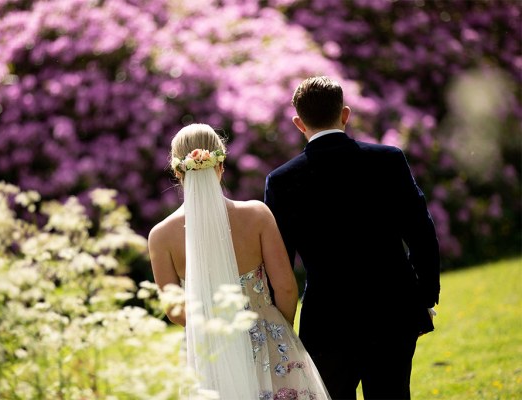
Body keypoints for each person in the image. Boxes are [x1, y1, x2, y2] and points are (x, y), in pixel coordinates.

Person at [264, 76, 441, 400]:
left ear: (298, 122)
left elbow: (281, 261)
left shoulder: (281, 181)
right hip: (393, 309)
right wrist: (424, 297)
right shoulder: (388, 160)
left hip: (327, 319)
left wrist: (279, 326)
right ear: (345, 114)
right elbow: (421, 231)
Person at [148, 123, 331, 399]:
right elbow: (285, 287)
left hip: (210, 350)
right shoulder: (257, 215)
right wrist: (280, 331)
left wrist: (212, 328)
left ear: (177, 171)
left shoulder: (160, 236)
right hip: (269, 339)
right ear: (221, 165)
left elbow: (174, 310)